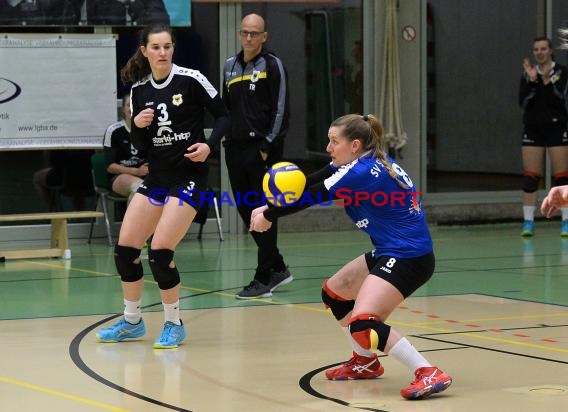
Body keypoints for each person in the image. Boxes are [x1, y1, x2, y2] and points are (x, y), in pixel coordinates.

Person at [250, 114, 453, 400]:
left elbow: (311, 196)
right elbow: (316, 178)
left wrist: (268, 215)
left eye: (334, 141)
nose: (329, 147)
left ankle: (428, 371)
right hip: (389, 249)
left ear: (354, 145)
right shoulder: (361, 162)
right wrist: (272, 201)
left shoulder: (359, 173)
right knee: (334, 294)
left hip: (409, 257)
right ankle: (365, 362)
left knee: (363, 323)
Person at [96, 24, 230, 349]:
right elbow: (142, 146)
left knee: (159, 252)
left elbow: (225, 115)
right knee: (126, 250)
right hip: (156, 178)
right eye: (155, 47)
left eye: (167, 46)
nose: (162, 53)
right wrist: (137, 127)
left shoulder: (191, 78)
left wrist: (209, 145)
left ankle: (174, 323)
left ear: (173, 48)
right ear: (144, 50)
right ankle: (132, 321)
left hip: (188, 178)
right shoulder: (139, 90)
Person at [221, 13, 293, 299]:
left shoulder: (273, 65)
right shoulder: (230, 65)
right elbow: (226, 110)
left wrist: (266, 146)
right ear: (240, 35)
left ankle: (264, 278)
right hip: (234, 149)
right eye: (245, 33)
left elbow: (281, 110)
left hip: (262, 151)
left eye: (254, 33)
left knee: (263, 212)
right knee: (245, 212)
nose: (249, 38)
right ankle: (277, 266)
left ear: (264, 36)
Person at [519, 36, 568, 237]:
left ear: (550, 51)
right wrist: (532, 80)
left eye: (543, 49)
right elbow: (522, 102)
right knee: (530, 177)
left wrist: (545, 80)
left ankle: (566, 222)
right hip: (533, 129)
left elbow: (559, 97)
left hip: (557, 128)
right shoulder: (528, 74)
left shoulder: (562, 71)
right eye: (536, 49)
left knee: (563, 178)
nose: (539, 52)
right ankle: (528, 223)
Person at [102, 93, 148, 201]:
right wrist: (136, 172)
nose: (132, 108)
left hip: (147, 176)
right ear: (123, 109)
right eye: (128, 105)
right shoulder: (114, 131)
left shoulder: (149, 130)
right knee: (140, 189)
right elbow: (110, 167)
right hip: (120, 176)